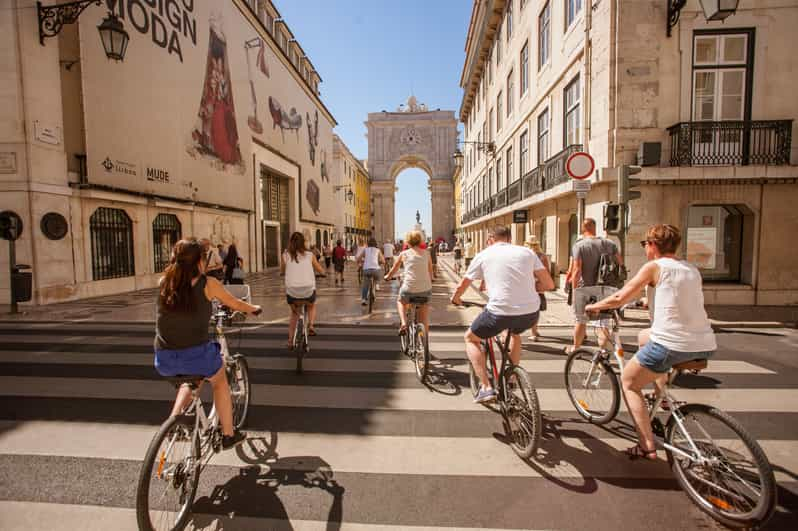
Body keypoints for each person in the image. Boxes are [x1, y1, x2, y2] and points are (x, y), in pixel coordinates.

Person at [585, 224, 716, 460]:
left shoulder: (654, 267)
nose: (646, 249)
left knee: (629, 383)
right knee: (643, 336)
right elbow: (681, 299)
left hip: (671, 344)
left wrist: (595, 306)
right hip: (704, 343)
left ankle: (646, 446)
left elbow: (619, 297)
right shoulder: (690, 269)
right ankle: (659, 394)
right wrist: (648, 303)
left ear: (653, 245)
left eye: (645, 244)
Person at [154, 238, 261, 450]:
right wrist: (254, 308)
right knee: (219, 381)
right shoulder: (208, 284)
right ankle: (229, 435)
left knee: (190, 381)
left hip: (164, 358)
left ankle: (174, 422)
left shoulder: (164, 282)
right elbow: (235, 303)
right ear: (200, 262)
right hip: (195, 356)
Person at [451, 226, 555, 403]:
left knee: (471, 338)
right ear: (509, 238)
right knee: (514, 334)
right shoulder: (527, 252)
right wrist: (532, 288)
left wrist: (456, 298)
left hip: (500, 311)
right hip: (530, 312)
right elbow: (549, 284)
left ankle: (485, 387)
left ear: (490, 238)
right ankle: (513, 377)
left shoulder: (484, 254)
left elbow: (465, 283)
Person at [566, 218, 623, 354]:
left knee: (581, 319)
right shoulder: (610, 243)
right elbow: (620, 263)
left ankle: (576, 349)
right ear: (595, 227)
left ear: (583, 228)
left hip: (585, 287)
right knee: (603, 322)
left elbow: (577, 270)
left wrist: (574, 290)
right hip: (606, 287)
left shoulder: (579, 245)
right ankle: (604, 352)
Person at [282, 232, 326, 347]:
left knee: (294, 313)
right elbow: (320, 270)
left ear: (290, 242)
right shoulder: (310, 255)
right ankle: (311, 325)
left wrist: (284, 272)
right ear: (303, 243)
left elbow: (282, 270)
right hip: (308, 291)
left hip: (292, 293)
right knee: (311, 305)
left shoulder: (285, 255)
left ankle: (290, 341)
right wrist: (323, 273)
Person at [385, 230, 433, 335]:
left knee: (401, 301)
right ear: (420, 241)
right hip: (425, 289)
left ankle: (403, 323)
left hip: (408, 289)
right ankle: (424, 341)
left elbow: (394, 269)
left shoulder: (404, 254)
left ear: (408, 242)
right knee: (424, 318)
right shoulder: (427, 254)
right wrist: (430, 279)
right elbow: (431, 274)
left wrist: (388, 277)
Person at [524, 236, 550, 341]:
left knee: (530, 309)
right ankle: (535, 331)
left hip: (529, 285)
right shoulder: (542, 256)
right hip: (539, 286)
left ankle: (534, 333)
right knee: (536, 309)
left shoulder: (526, 256)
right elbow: (547, 271)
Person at [357, 237, 384, 304]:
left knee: (365, 285)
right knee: (377, 276)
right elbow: (383, 261)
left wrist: (362, 261)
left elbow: (358, 258)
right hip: (375, 270)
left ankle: (363, 299)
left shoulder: (365, 250)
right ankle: (377, 285)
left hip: (366, 270)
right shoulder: (378, 250)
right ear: (375, 243)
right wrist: (379, 262)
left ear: (368, 243)